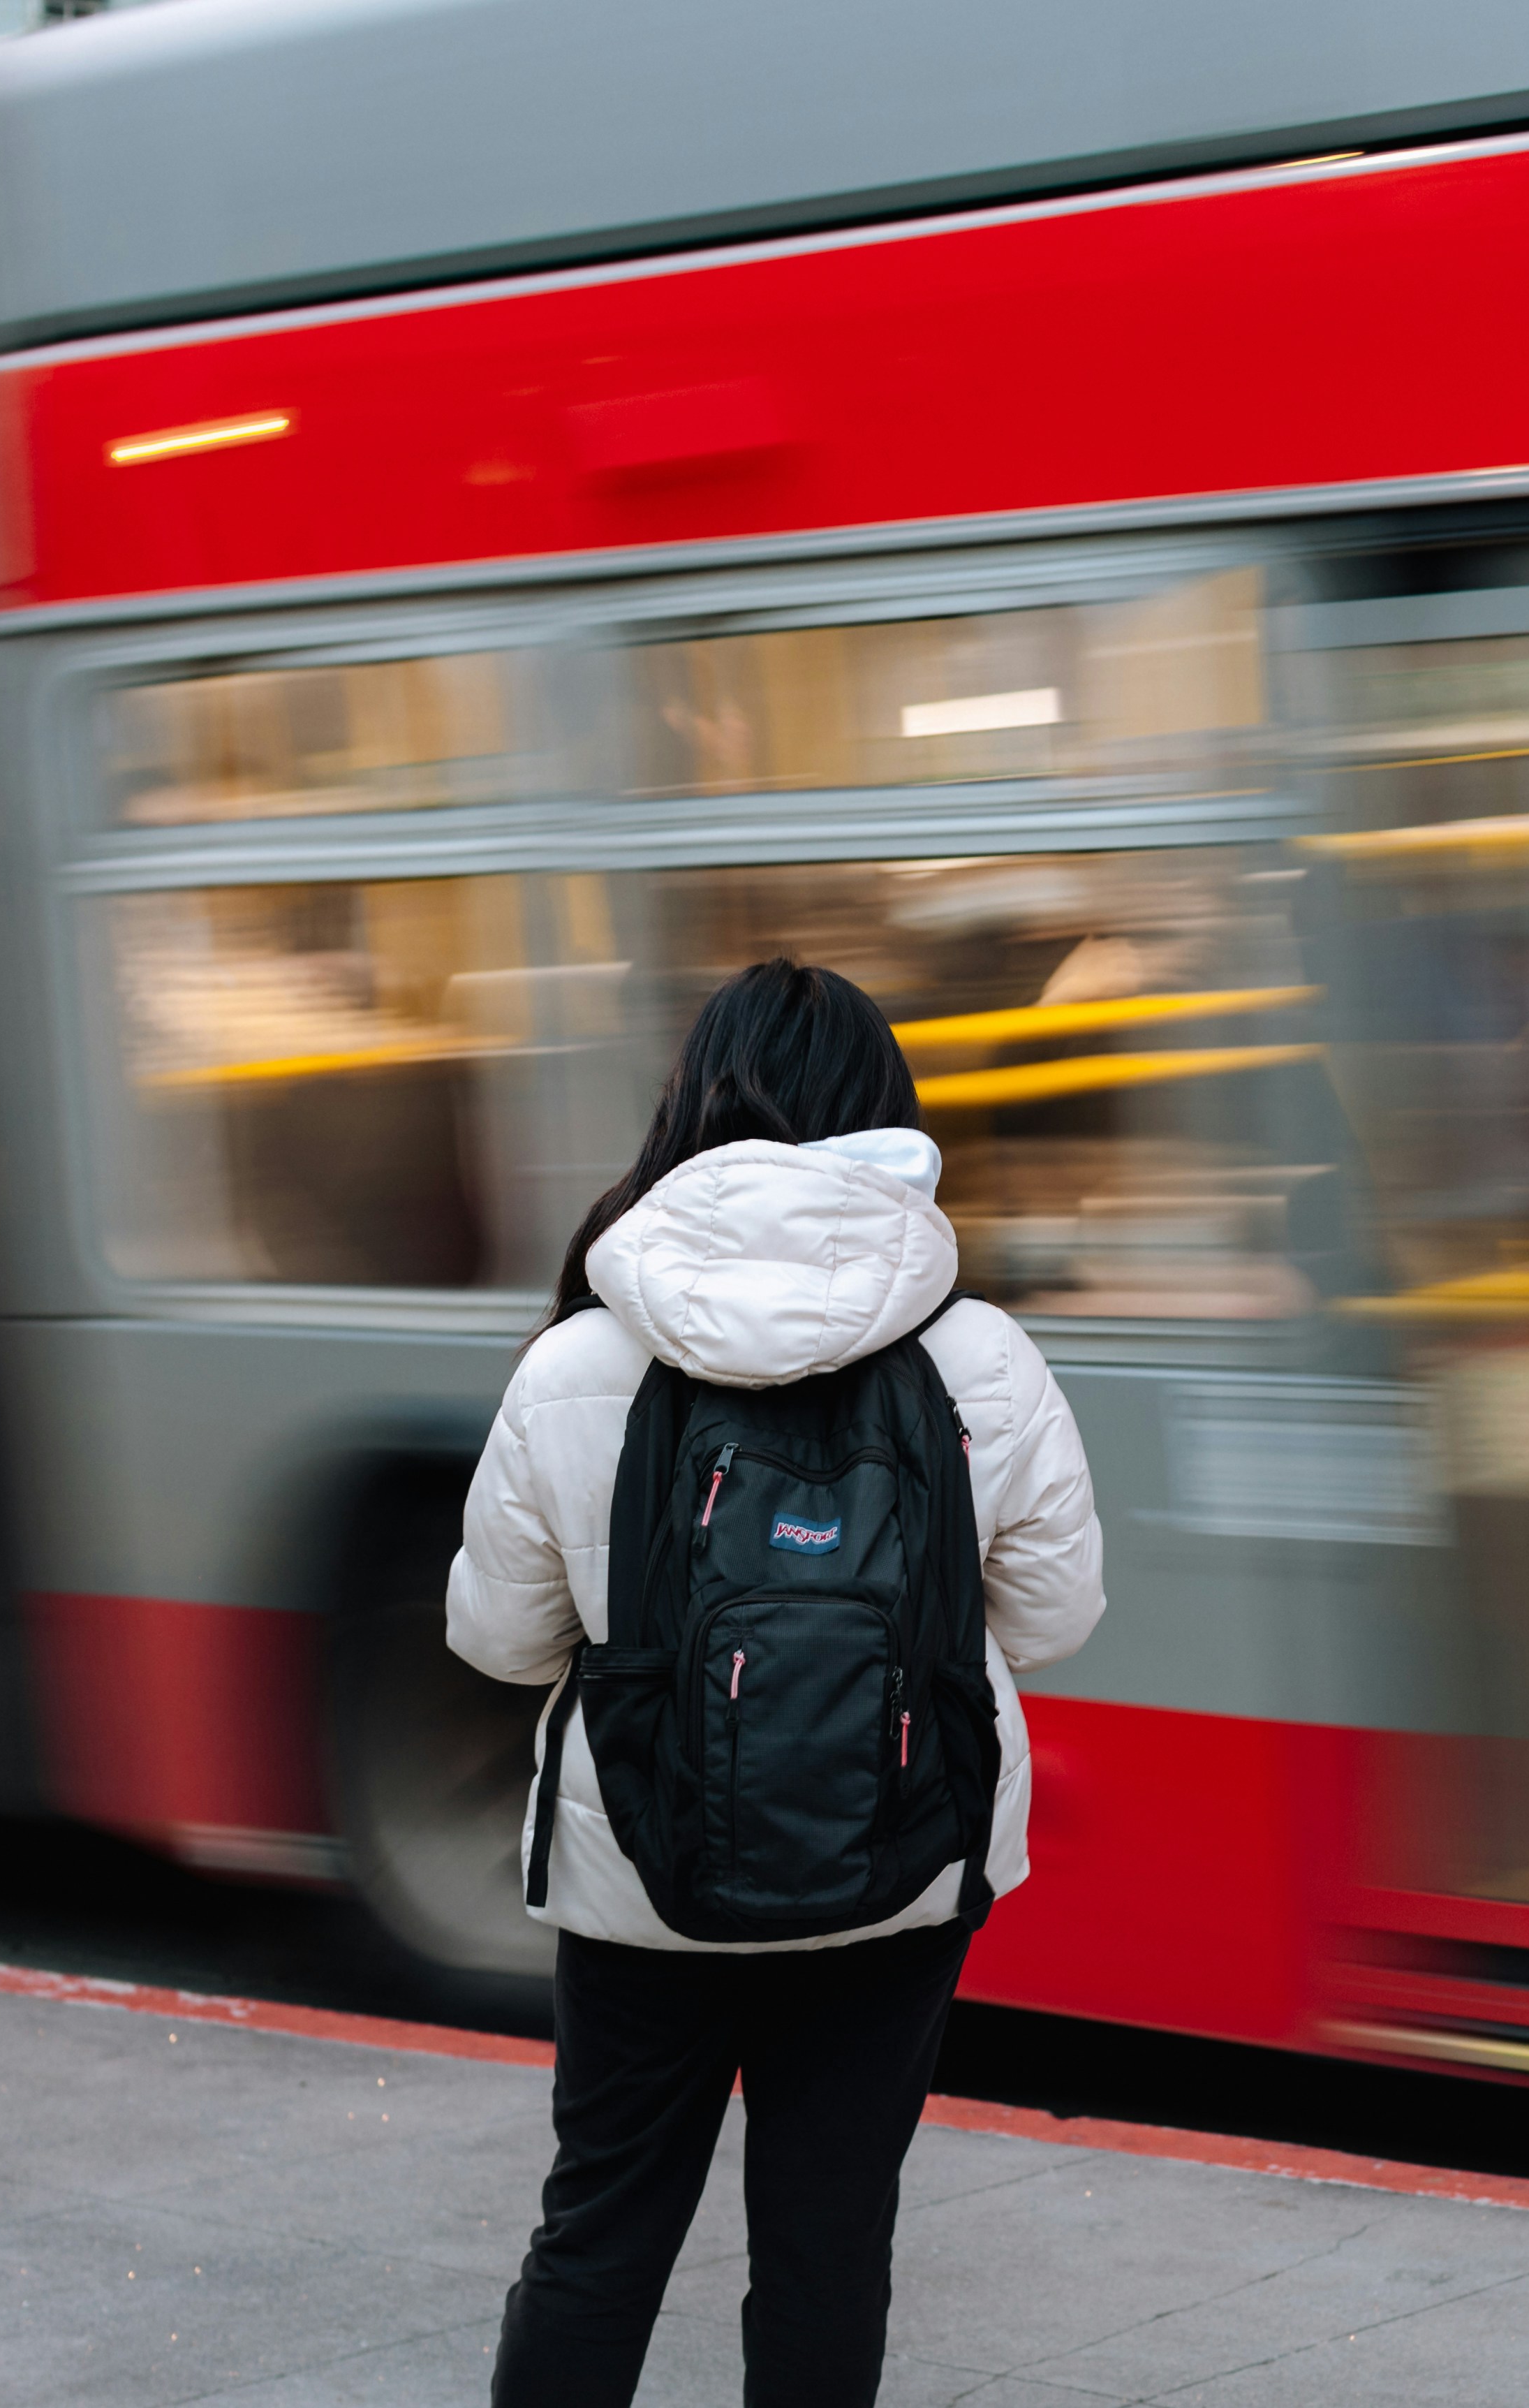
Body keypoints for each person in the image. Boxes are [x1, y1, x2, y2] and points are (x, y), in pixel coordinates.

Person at [446, 957, 1104, 2407]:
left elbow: (496, 1640)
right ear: (891, 1119)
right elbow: (1053, 1618)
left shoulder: (575, 1362)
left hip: (641, 1879)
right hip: (903, 1864)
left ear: (691, 1107)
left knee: (601, 2228)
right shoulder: (982, 1355)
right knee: (827, 2242)